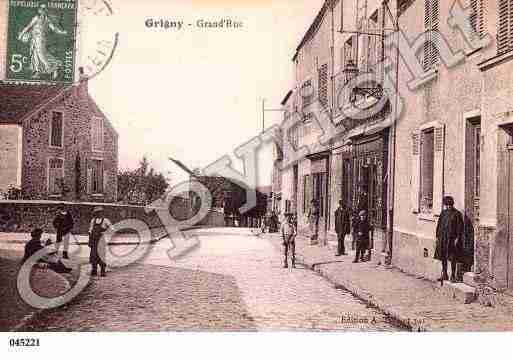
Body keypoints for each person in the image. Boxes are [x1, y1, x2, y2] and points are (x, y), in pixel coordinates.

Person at [17, 4, 68, 79]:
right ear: (39, 10)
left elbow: (54, 29)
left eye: (44, 9)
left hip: (40, 39)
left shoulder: (47, 19)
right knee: (35, 55)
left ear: (45, 11)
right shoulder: (36, 18)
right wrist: (21, 34)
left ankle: (54, 68)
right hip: (34, 39)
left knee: (41, 54)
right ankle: (37, 72)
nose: (43, 11)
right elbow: (28, 26)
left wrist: (62, 32)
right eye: (42, 9)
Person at [434, 196, 464, 283]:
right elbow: (439, 226)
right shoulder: (443, 213)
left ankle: (453, 275)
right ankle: (445, 274)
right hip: (443, 238)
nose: (448, 207)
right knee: (443, 256)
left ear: (452, 204)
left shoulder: (457, 214)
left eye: (449, 205)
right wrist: (437, 237)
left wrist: (457, 238)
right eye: (446, 205)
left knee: (452, 257)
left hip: (451, 239)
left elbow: (460, 227)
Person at [88, 206, 112, 277]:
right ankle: (94, 270)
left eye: (100, 212)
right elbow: (90, 228)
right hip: (94, 240)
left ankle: (102, 270)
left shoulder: (106, 220)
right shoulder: (93, 220)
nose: (99, 214)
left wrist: (105, 232)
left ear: (102, 213)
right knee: (93, 255)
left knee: (101, 255)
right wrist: (90, 233)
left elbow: (112, 228)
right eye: (97, 213)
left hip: (101, 240)